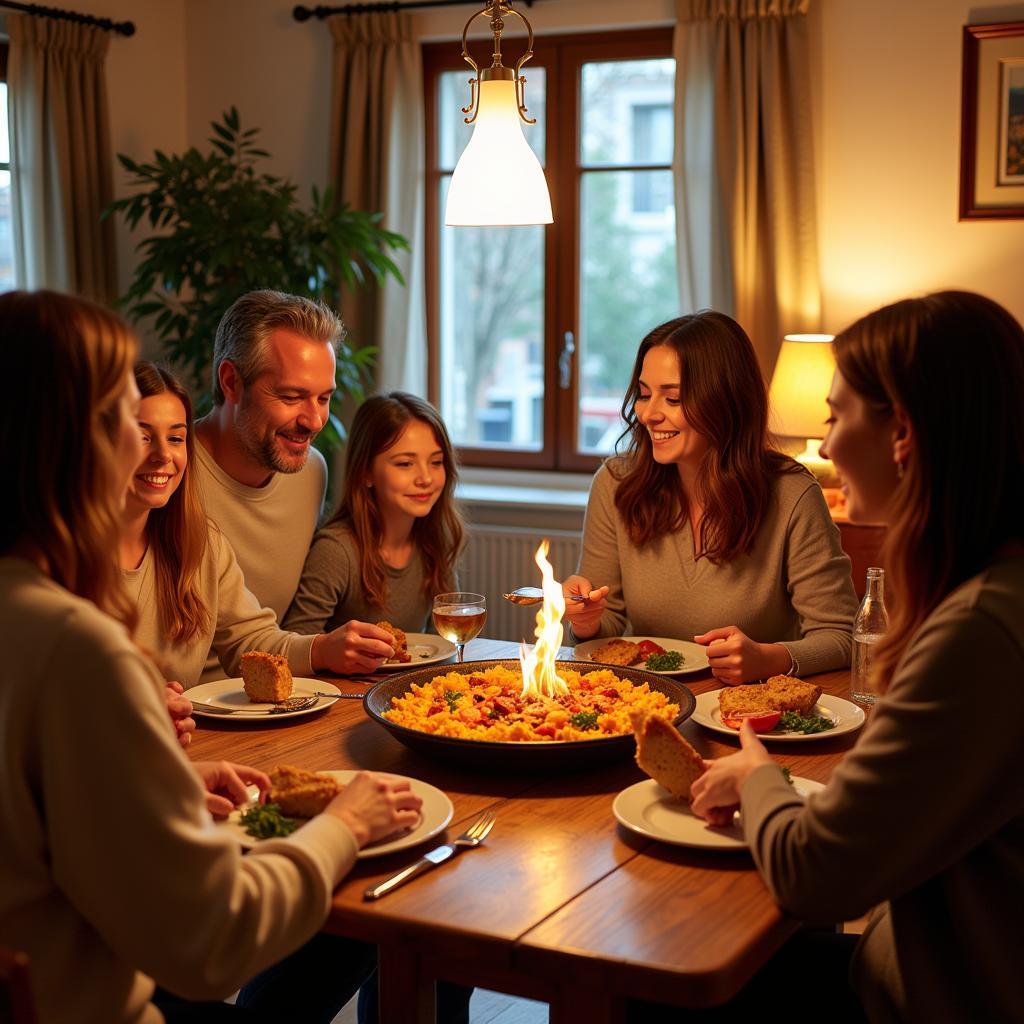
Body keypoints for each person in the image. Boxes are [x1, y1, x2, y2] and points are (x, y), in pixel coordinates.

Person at [0, 290, 422, 1023]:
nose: (153, 450)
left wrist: (163, 782)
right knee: (370, 903)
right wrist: (345, 825)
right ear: (69, 442)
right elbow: (209, 942)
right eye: (120, 420)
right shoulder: (77, 650)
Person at [689, 291, 1024, 1021]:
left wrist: (757, 777)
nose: (828, 443)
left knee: (664, 969)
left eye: (837, 417)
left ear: (901, 433)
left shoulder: (979, 634)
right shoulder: (995, 591)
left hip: (947, 996)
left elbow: (817, 877)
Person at [562, 311, 857, 684]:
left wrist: (767, 658)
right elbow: (608, 631)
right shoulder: (615, 483)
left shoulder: (793, 494)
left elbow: (842, 636)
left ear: (724, 402)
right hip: (649, 703)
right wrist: (587, 623)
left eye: (673, 399)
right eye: (644, 394)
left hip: (745, 713)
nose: (648, 414)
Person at [121, 362, 404, 684]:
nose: (163, 455)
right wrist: (141, 707)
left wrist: (324, 648)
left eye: (175, 438)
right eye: (142, 436)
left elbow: (249, 639)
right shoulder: (61, 558)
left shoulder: (200, 544)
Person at [193, 289, 394, 678]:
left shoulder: (310, 472)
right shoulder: (165, 474)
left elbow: (265, 634)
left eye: (324, 398)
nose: (315, 420)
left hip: (274, 693)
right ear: (232, 381)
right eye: (291, 396)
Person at [285, 392, 464, 636]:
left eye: (436, 462)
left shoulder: (435, 543)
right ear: (366, 473)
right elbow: (296, 643)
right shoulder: (337, 551)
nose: (426, 478)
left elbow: (444, 644)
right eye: (404, 464)